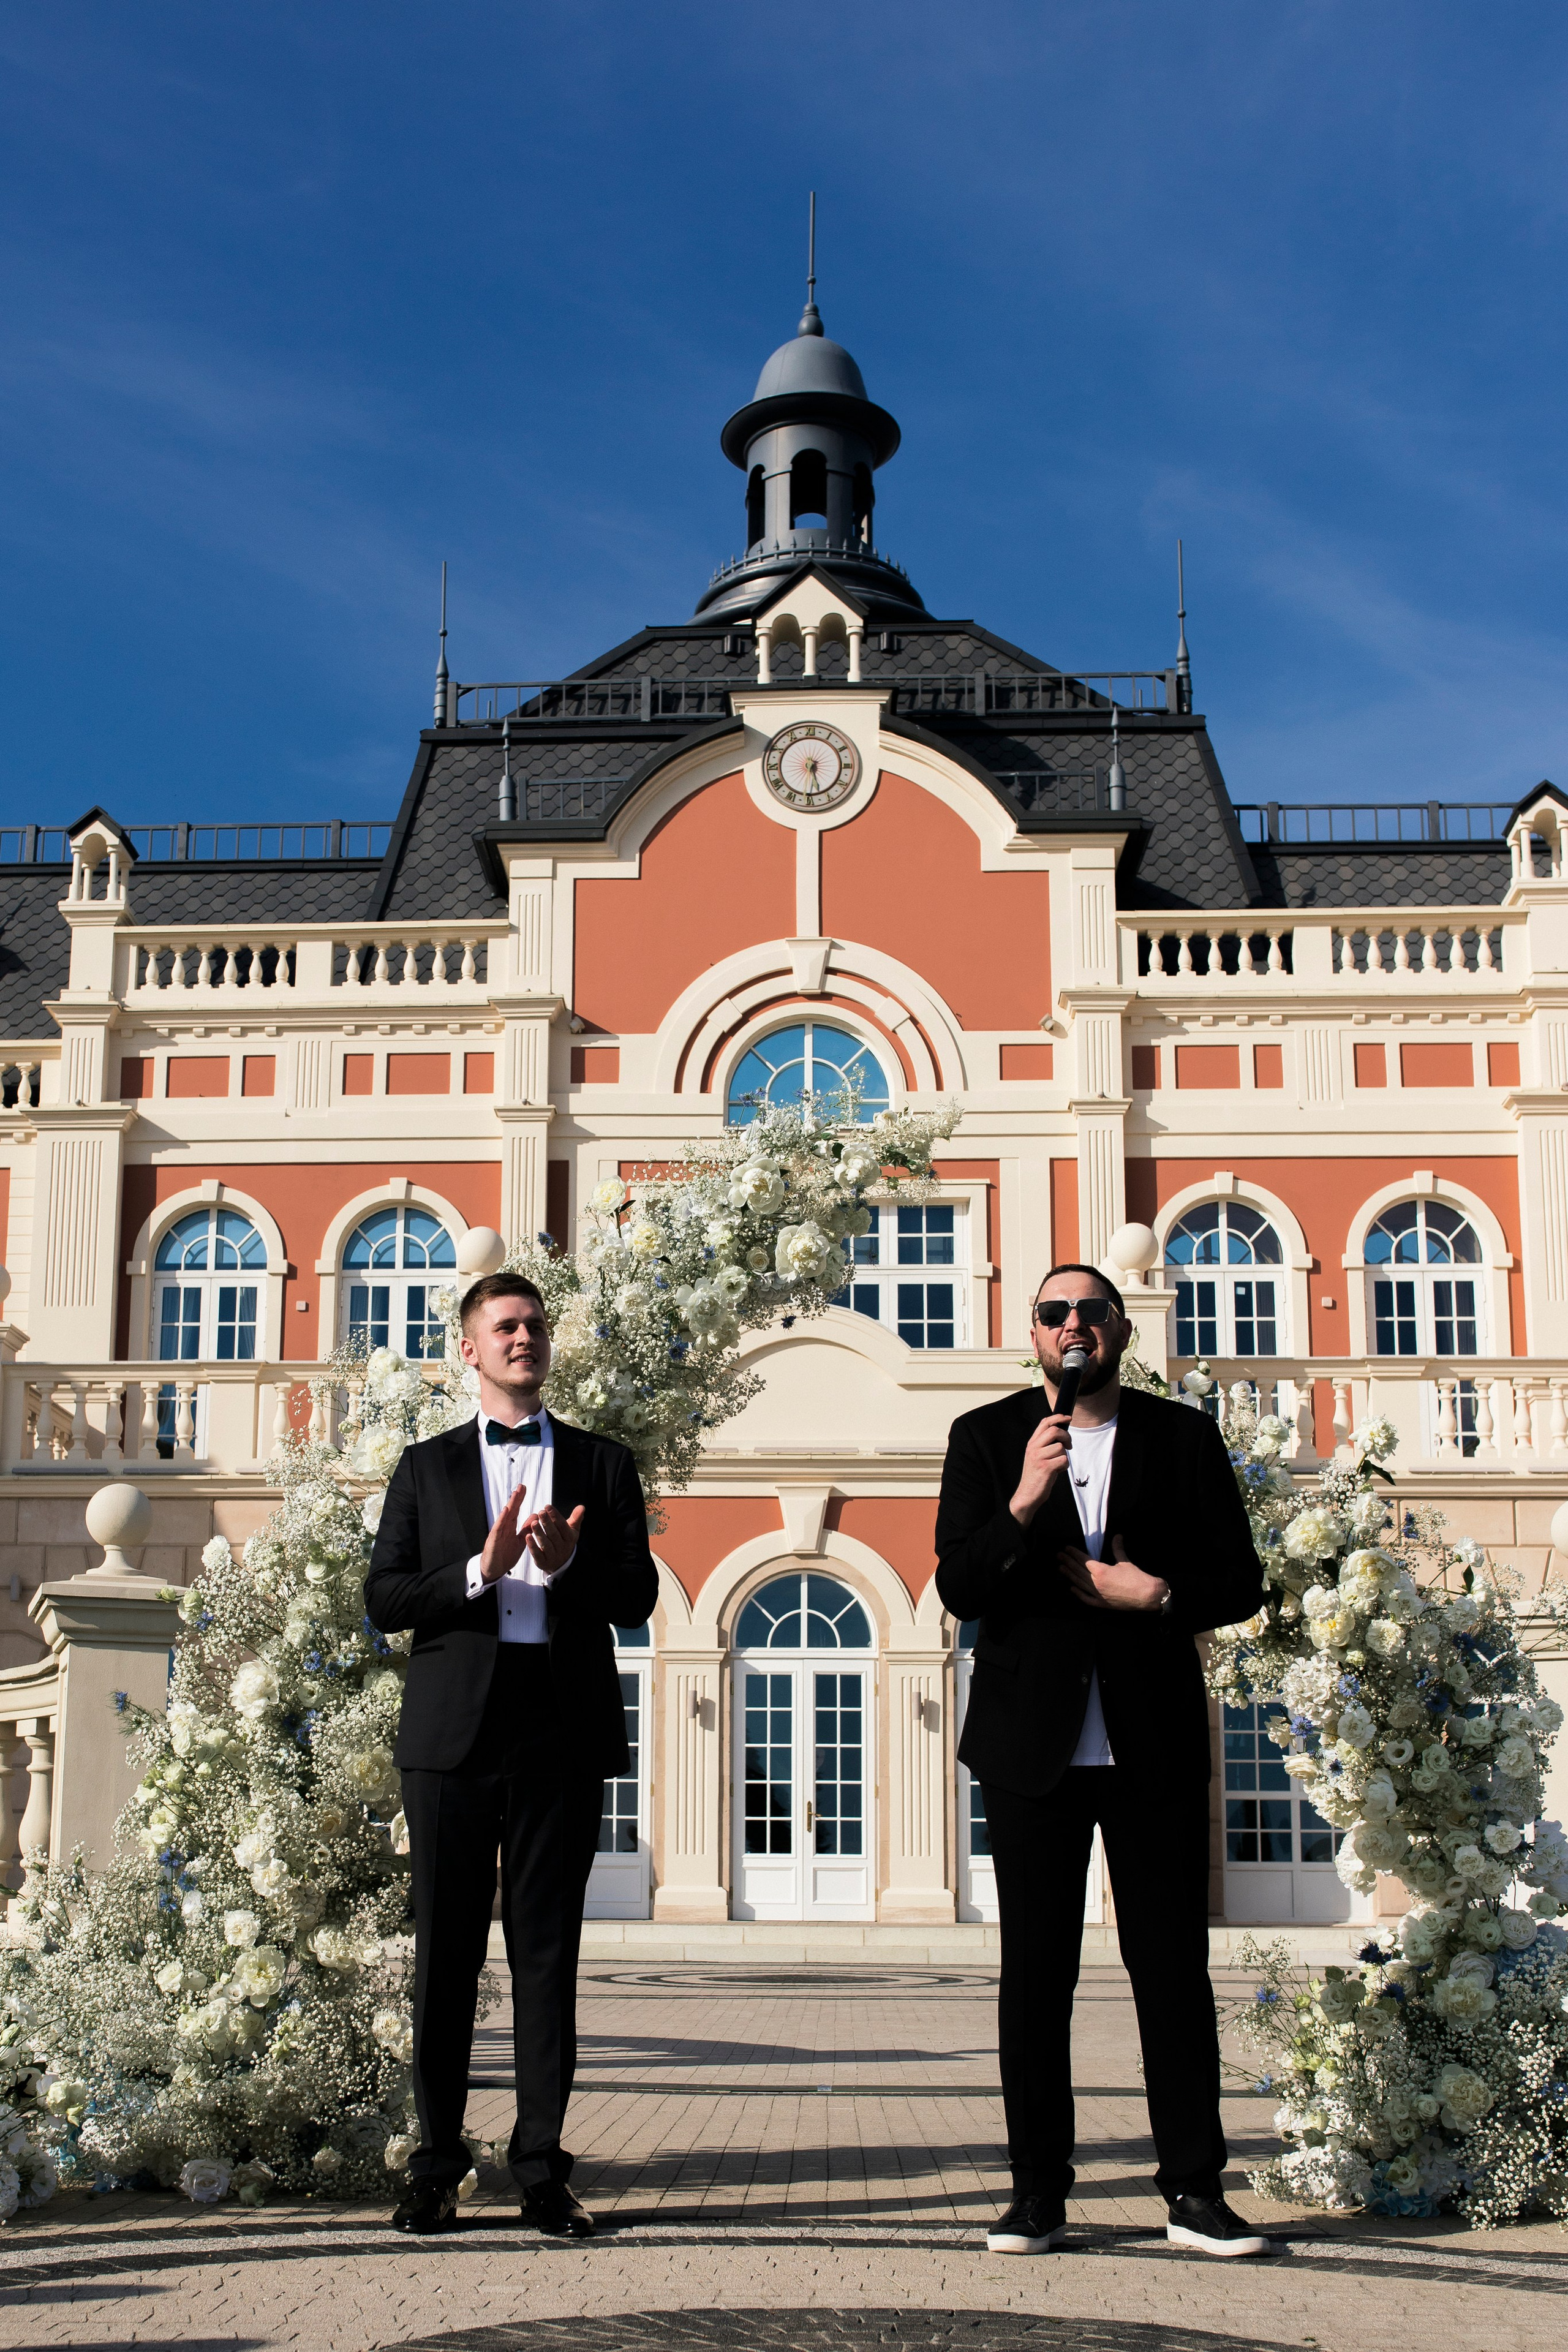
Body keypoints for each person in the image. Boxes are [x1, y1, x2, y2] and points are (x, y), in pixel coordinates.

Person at [935, 1262, 1268, 2259]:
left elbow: (1241, 1581)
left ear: (1119, 1329)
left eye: (1089, 1311)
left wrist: (1156, 1597)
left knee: (1171, 1970)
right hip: (1030, 1747)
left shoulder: (1181, 1435)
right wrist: (1029, 1496)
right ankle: (1037, 2192)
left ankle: (1195, 2191)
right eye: (1053, 1313)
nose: (1071, 1325)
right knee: (1034, 1977)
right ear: (1031, 1333)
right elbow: (961, 1584)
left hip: (1150, 1741)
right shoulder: (987, 1438)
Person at [364, 1272, 657, 2237]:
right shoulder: (425, 1468)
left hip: (560, 1730)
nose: (522, 1338)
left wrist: (568, 1569)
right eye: (504, 1327)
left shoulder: (604, 1464)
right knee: (443, 1961)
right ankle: (435, 2165)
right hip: (451, 1738)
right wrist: (477, 1572)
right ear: (470, 1349)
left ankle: (540, 2169)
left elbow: (638, 1595)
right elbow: (387, 1602)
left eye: (533, 1324)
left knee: (547, 1960)